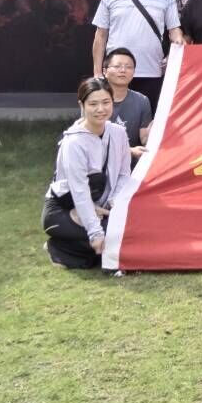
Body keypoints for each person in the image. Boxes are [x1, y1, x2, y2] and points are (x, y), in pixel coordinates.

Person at [41, 76, 132, 270]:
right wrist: (95, 233)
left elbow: (124, 174)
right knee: (112, 238)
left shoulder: (118, 133)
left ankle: (78, 247)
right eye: (93, 104)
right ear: (82, 105)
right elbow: (79, 190)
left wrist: (114, 203)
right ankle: (58, 248)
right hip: (63, 210)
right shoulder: (73, 142)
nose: (101, 109)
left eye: (106, 102)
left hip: (101, 206)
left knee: (129, 232)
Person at [91, 0, 182, 111]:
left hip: (151, 70)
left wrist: (177, 48)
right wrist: (97, 72)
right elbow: (101, 36)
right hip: (117, 70)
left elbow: (174, 31)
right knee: (114, 117)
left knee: (148, 117)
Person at [101, 47, 153, 158]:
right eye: (117, 66)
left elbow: (144, 139)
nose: (123, 70)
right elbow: (91, 141)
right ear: (105, 71)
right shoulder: (95, 99)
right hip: (100, 162)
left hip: (131, 164)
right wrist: (129, 151)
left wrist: (154, 132)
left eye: (129, 67)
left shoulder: (142, 100)